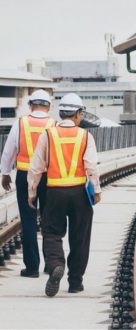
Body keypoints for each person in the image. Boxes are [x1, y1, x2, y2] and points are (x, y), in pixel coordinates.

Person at [27, 93, 101, 297]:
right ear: (78, 114)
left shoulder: (47, 135)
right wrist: (96, 190)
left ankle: (56, 264)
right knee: (80, 237)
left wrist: (32, 192)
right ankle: (75, 281)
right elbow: (91, 166)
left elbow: (35, 168)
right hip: (79, 193)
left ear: (61, 113)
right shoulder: (85, 136)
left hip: (54, 192)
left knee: (51, 233)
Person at [1, 89, 55, 278]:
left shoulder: (21, 123)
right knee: (49, 221)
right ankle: (50, 264)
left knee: (28, 220)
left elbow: (9, 151)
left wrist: (5, 173)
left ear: (30, 105)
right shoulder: (53, 125)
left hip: (24, 176)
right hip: (48, 178)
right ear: (48, 105)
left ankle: (32, 268)